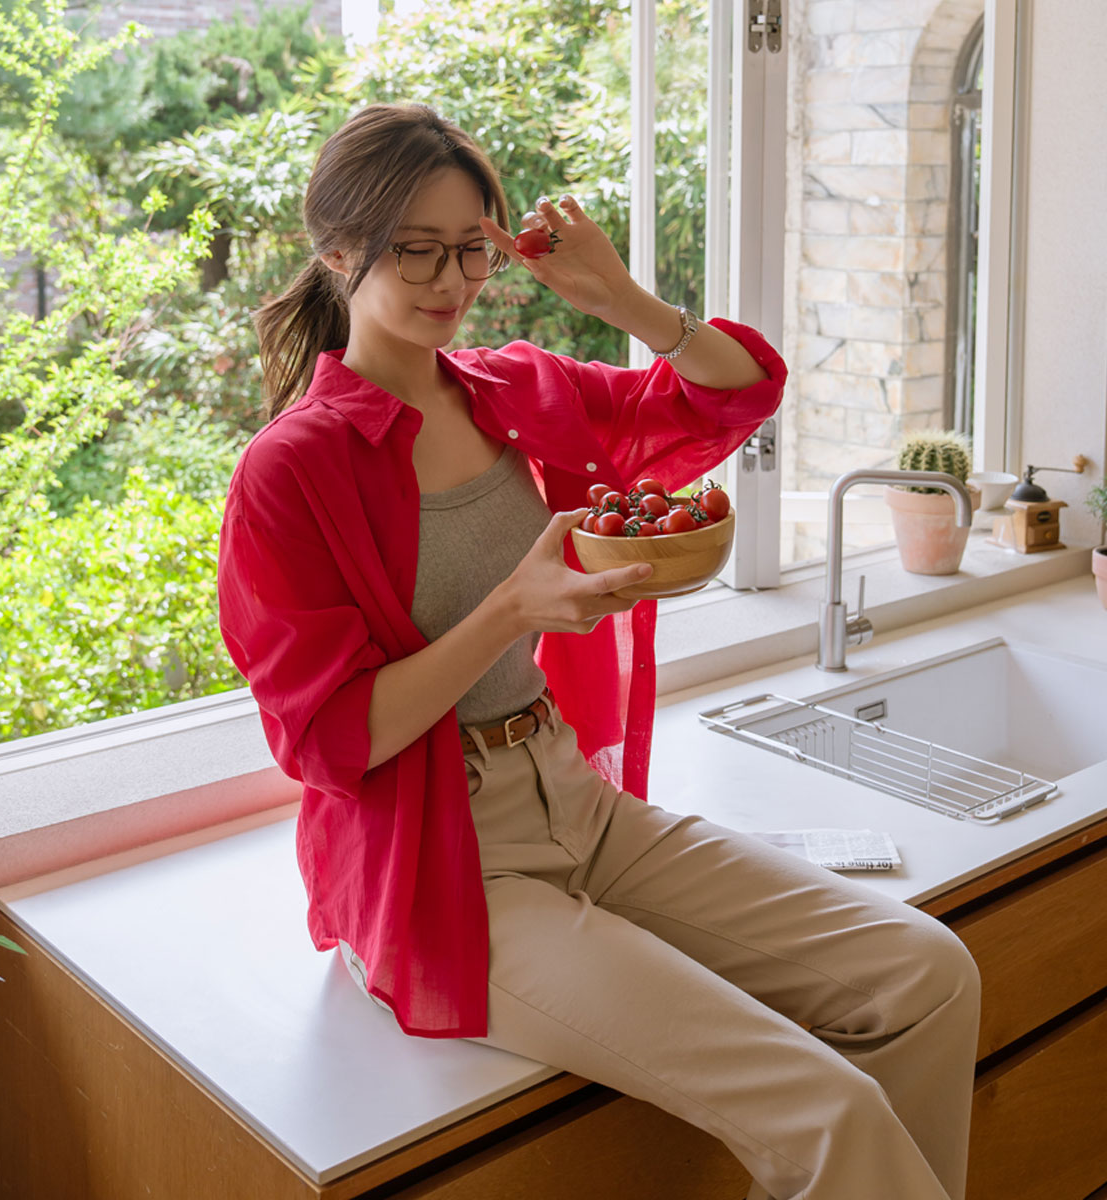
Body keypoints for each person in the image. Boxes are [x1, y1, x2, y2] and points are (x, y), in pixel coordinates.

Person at [216, 102, 981, 1200]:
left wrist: (619, 300)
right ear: (339, 253)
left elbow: (732, 394)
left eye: (470, 249)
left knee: (928, 972)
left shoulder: (511, 390)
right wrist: (511, 611)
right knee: (829, 1104)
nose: (450, 280)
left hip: (579, 801)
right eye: (416, 250)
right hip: (442, 866)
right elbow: (329, 737)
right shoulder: (292, 471)